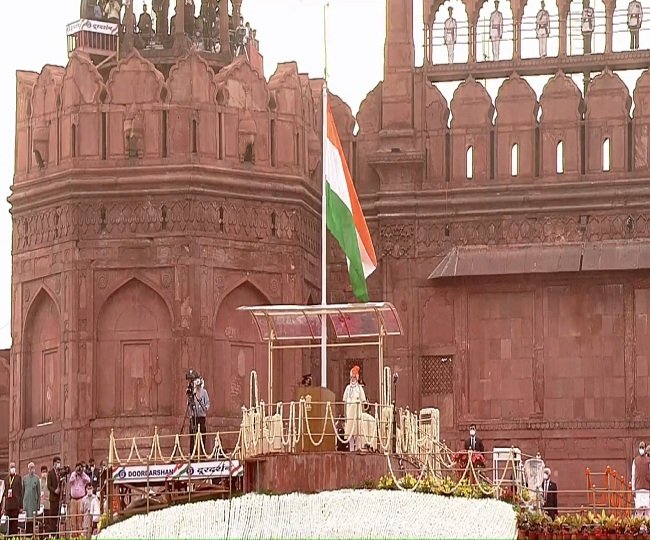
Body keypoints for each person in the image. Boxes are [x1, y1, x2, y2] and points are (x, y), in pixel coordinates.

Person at [343, 365, 367, 452]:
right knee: (350, 432)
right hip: (349, 413)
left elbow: (363, 401)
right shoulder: (347, 388)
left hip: (357, 414)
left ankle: (358, 448)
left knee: (358, 431)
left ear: (357, 378)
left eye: (354, 377)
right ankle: (351, 448)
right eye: (351, 377)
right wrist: (345, 414)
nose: (352, 379)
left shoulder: (360, 389)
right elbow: (345, 402)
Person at [68, 463, 91, 535]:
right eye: (77, 468)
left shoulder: (83, 476)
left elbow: (89, 480)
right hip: (73, 500)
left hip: (81, 499)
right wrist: (75, 473)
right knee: (73, 518)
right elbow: (70, 481)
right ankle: (74, 535)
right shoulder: (73, 474)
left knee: (80, 518)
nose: (79, 470)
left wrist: (82, 473)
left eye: (80, 468)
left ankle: (80, 535)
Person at [1, 462, 23, 536]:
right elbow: (4, 493)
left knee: (14, 524)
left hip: (15, 505)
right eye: (11, 467)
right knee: (8, 525)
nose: (12, 468)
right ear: (9, 468)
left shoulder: (18, 477)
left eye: (13, 467)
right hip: (8, 505)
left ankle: (14, 536)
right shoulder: (6, 479)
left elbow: (21, 492)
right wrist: (4, 507)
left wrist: (21, 506)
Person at [192, 377, 211, 455]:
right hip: (194, 417)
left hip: (202, 417)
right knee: (193, 435)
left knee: (202, 434)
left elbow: (208, 403)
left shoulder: (204, 392)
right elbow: (189, 403)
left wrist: (205, 408)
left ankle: (202, 453)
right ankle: (193, 453)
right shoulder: (193, 392)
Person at [632, 441, 650, 516]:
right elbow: (633, 475)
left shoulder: (649, 461)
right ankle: (639, 526)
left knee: (647, 509)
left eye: (642, 447)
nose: (641, 449)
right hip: (638, 489)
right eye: (640, 447)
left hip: (647, 489)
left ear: (645, 449)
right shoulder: (635, 461)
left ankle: (647, 526)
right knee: (639, 509)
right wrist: (633, 488)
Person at [22, 462, 40, 534]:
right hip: (26, 503)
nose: (32, 469)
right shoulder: (25, 479)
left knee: (33, 520)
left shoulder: (37, 479)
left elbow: (38, 493)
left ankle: (33, 535)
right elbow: (23, 491)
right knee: (26, 521)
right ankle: (27, 536)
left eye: (33, 468)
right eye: (31, 468)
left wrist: (38, 505)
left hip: (33, 503)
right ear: (28, 469)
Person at [47, 457, 63, 535]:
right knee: (52, 517)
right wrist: (54, 491)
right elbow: (49, 486)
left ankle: (58, 533)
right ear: (54, 463)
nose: (58, 464)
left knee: (58, 516)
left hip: (59, 499)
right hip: (53, 498)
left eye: (59, 462)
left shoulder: (60, 473)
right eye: (57, 462)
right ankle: (52, 533)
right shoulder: (50, 473)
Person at [39, 466, 50, 532]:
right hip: (40, 505)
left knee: (47, 522)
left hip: (47, 505)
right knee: (40, 523)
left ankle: (47, 536)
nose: (44, 473)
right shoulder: (39, 481)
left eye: (45, 472)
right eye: (43, 472)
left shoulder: (48, 481)